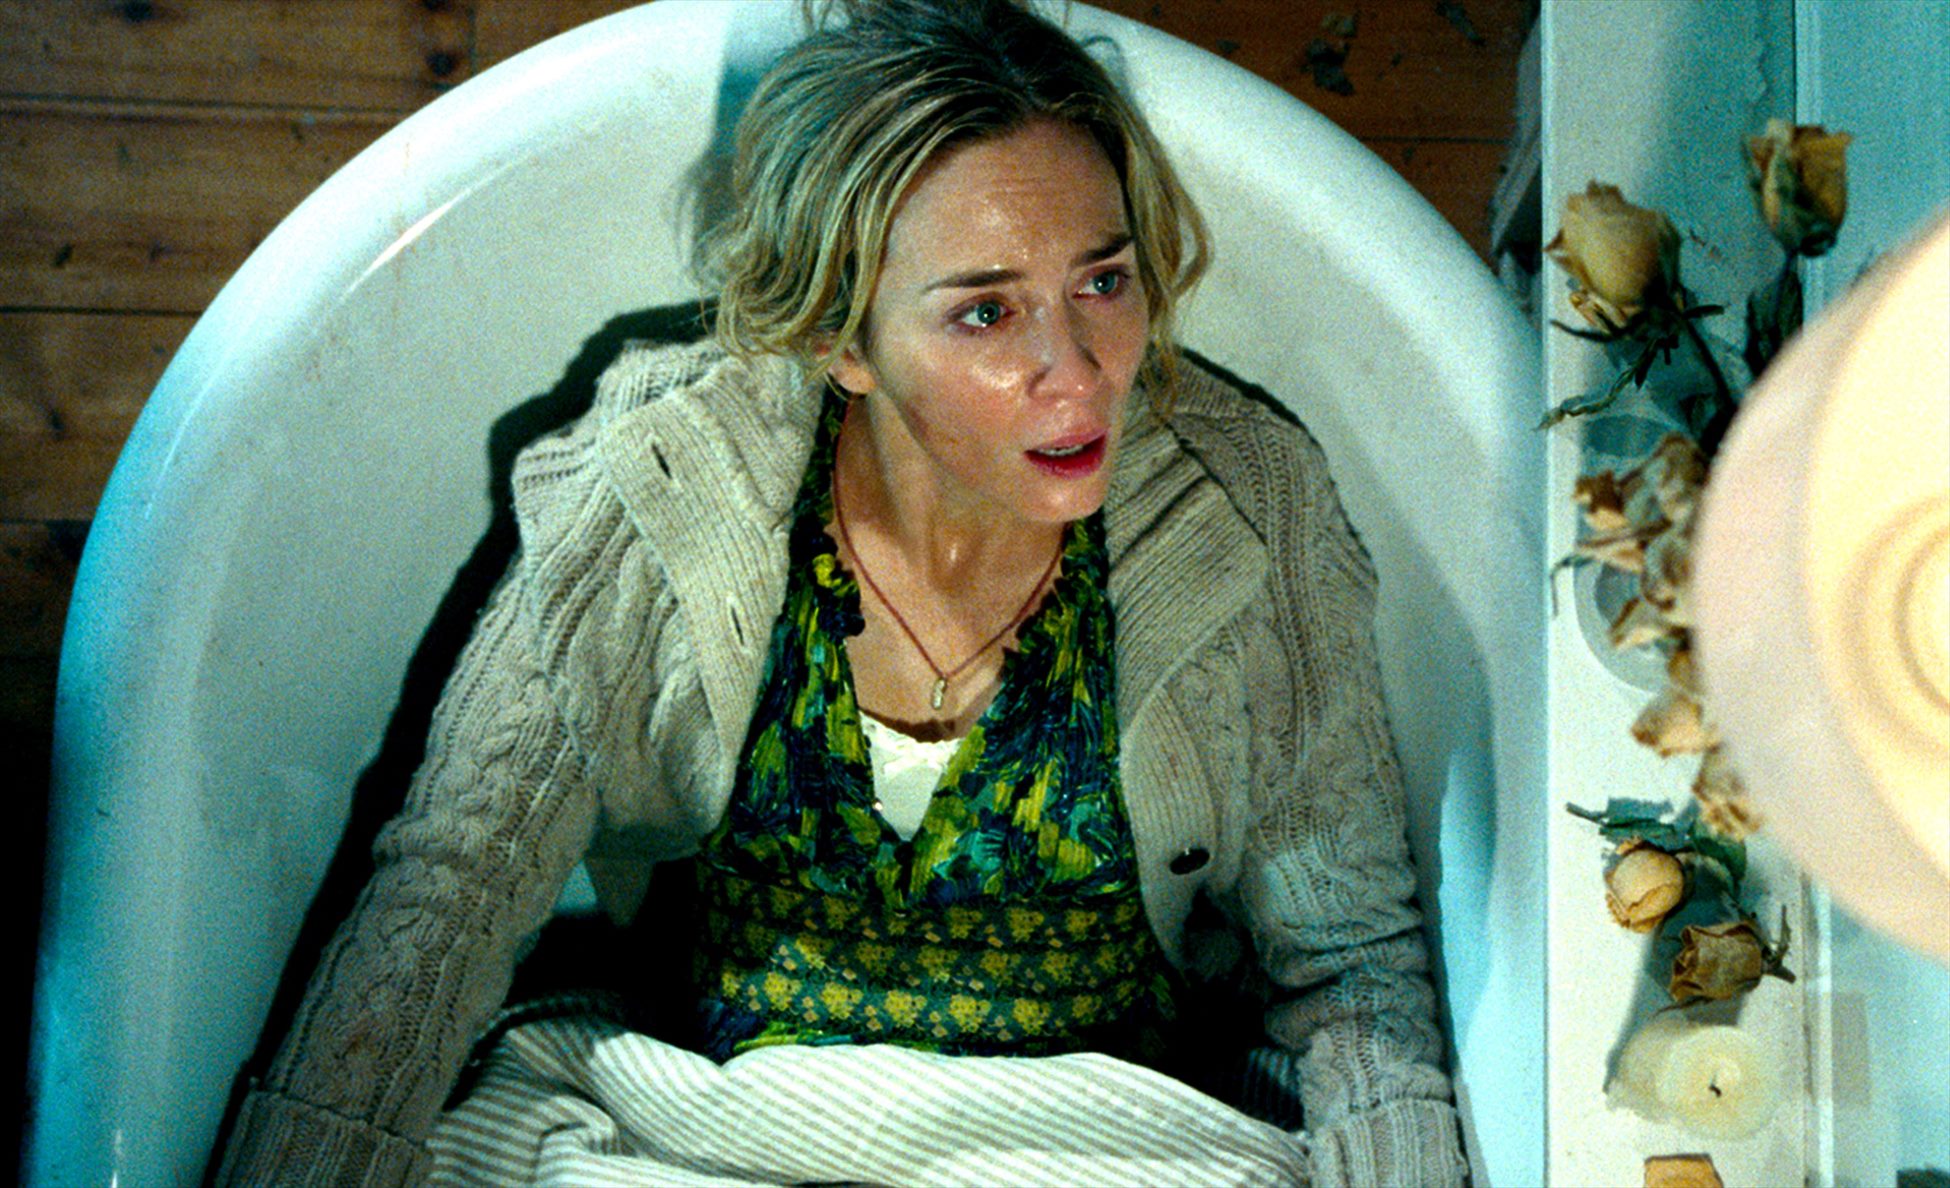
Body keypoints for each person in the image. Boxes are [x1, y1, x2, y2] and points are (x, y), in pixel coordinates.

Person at [216, 1, 1466, 1184]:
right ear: (841, 340)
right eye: (986, 313)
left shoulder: (1249, 511)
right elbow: (451, 894)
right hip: (719, 1132)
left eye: (1103, 281)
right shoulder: (657, 490)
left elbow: (1351, 966)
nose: (1078, 370)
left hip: (1103, 1143)